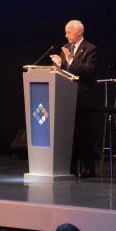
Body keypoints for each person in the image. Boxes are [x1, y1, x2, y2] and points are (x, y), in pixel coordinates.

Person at [50, 20, 98, 179]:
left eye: (68, 32)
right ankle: (68, 167)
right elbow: (66, 73)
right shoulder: (66, 48)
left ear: (79, 32)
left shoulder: (91, 49)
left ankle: (88, 168)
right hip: (67, 97)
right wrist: (59, 65)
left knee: (84, 134)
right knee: (68, 134)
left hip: (83, 97)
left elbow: (89, 71)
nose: (66, 35)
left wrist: (70, 61)